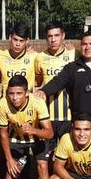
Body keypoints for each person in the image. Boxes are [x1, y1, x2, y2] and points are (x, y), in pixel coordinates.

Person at [35, 30, 91, 139]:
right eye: (84, 44)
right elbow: (57, 81)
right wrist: (43, 91)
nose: (87, 47)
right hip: (80, 130)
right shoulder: (71, 67)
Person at [0, 75, 53, 179]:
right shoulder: (2, 103)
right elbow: (3, 133)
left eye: (19, 93)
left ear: (26, 93)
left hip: (38, 136)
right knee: (12, 171)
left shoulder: (38, 102)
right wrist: (9, 159)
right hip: (15, 138)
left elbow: (49, 133)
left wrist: (33, 130)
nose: (14, 97)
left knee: (42, 166)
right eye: (11, 93)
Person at [34, 21, 76, 152]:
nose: (53, 39)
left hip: (68, 115)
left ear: (63, 35)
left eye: (56, 35)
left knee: (68, 152)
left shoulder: (72, 54)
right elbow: (38, 82)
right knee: (47, 154)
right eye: (50, 36)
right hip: (47, 115)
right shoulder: (39, 58)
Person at [0, 22, 37, 102]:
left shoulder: (34, 57)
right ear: (10, 38)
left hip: (29, 107)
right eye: (15, 39)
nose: (17, 44)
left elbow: (39, 80)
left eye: (21, 41)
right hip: (6, 107)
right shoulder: (0, 57)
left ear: (27, 41)